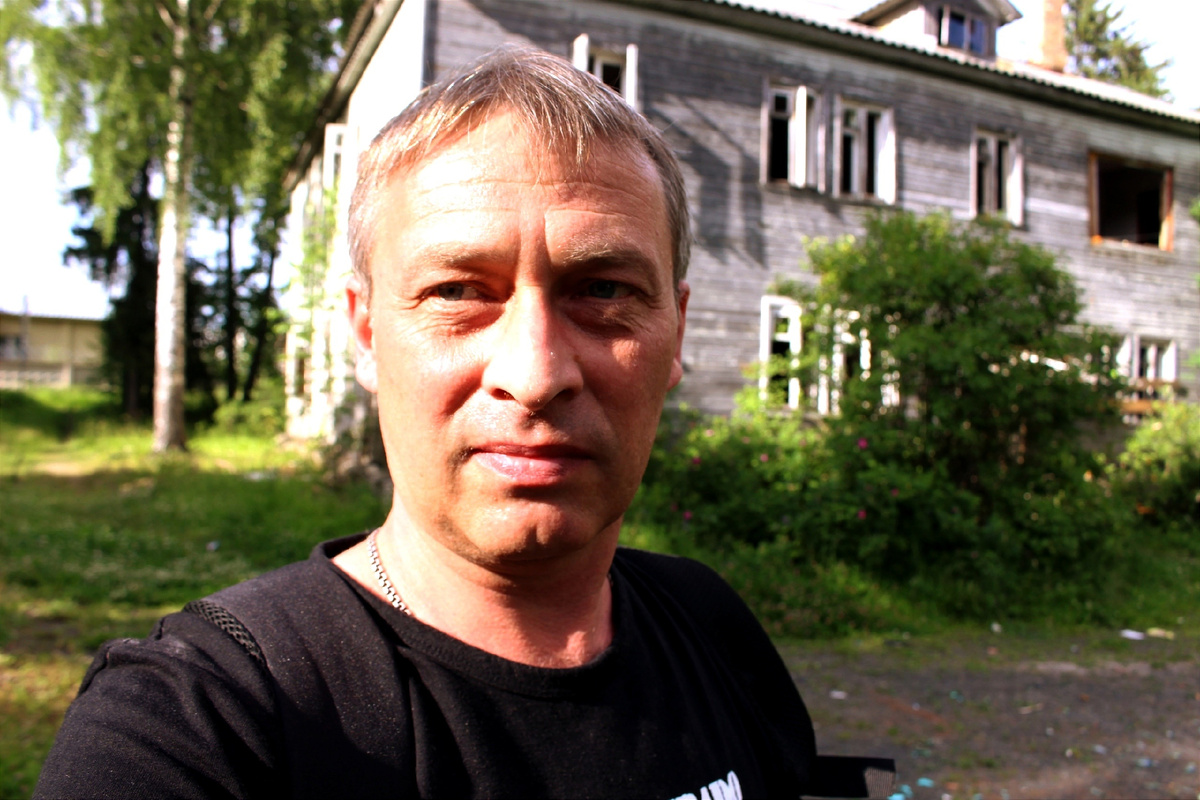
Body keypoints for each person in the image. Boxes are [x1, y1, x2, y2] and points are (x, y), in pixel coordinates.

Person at [36, 47, 887, 799]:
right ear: (366, 335)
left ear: (677, 333)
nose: (536, 375)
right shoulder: (207, 720)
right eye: (457, 292)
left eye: (603, 291)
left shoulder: (708, 624)